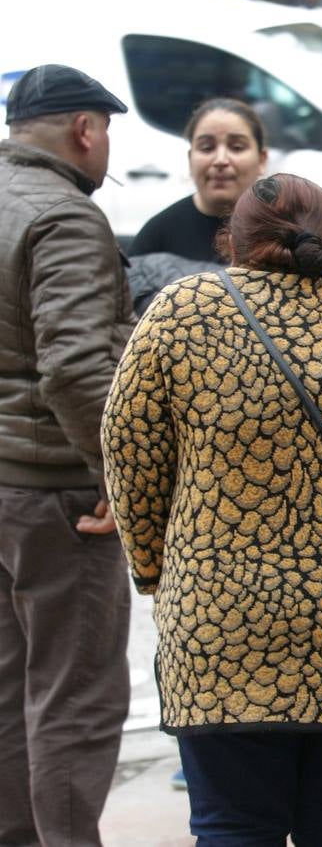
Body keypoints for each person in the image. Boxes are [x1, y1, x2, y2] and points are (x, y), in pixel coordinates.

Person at [101, 172, 322, 845]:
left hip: (221, 628)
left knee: (232, 825)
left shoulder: (181, 313)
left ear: (231, 244)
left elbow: (130, 454)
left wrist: (157, 572)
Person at [0, 63, 135, 847]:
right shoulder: (65, 217)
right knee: (74, 699)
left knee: (13, 691)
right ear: (86, 129)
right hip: (56, 491)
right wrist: (117, 475)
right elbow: (79, 369)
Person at [129, 98, 268, 262]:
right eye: (207, 148)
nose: (220, 160)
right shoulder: (157, 236)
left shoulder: (282, 231)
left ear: (261, 160)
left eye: (237, 147)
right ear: (190, 159)